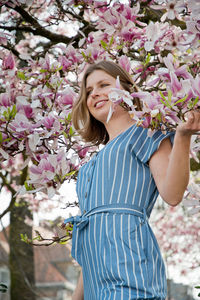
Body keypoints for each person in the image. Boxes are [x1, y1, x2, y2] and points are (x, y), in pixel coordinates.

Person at [65, 60, 200, 300]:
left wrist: (182, 136)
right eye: (88, 91)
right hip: (96, 282)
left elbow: (173, 193)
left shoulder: (147, 133)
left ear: (127, 90)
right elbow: (92, 235)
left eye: (103, 84)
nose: (94, 93)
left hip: (131, 271)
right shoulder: (89, 166)